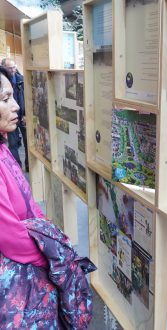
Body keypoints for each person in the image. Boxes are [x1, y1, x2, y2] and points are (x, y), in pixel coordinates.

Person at [0, 66, 95, 328]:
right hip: (19, 286)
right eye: (6, 99)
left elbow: (31, 206)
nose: (17, 106)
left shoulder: (4, 149)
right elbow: (9, 236)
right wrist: (53, 259)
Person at [1, 58, 29, 171]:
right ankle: (17, 168)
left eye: (14, 67)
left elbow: (28, 99)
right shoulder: (3, 81)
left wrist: (26, 114)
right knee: (13, 145)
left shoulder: (21, 80)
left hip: (22, 117)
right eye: (10, 68)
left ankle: (28, 165)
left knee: (28, 142)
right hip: (9, 118)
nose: (13, 70)